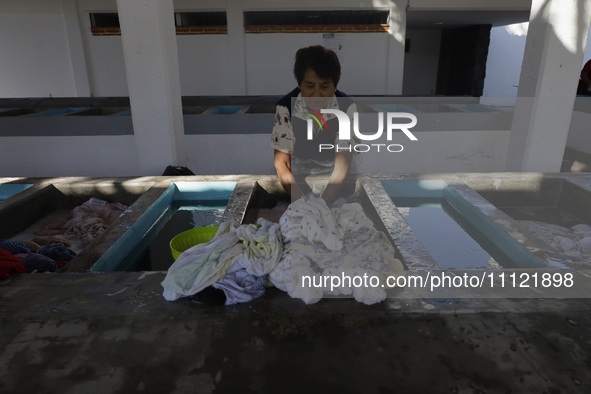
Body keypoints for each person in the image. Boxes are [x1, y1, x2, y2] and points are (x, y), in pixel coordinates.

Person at [271, 45, 357, 203]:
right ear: (299, 84)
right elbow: (282, 163)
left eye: (324, 86)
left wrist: (323, 202)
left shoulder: (346, 108)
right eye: (310, 86)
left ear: (335, 85)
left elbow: (343, 163)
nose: (316, 94)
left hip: (335, 174)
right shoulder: (285, 108)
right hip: (297, 173)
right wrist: (303, 204)